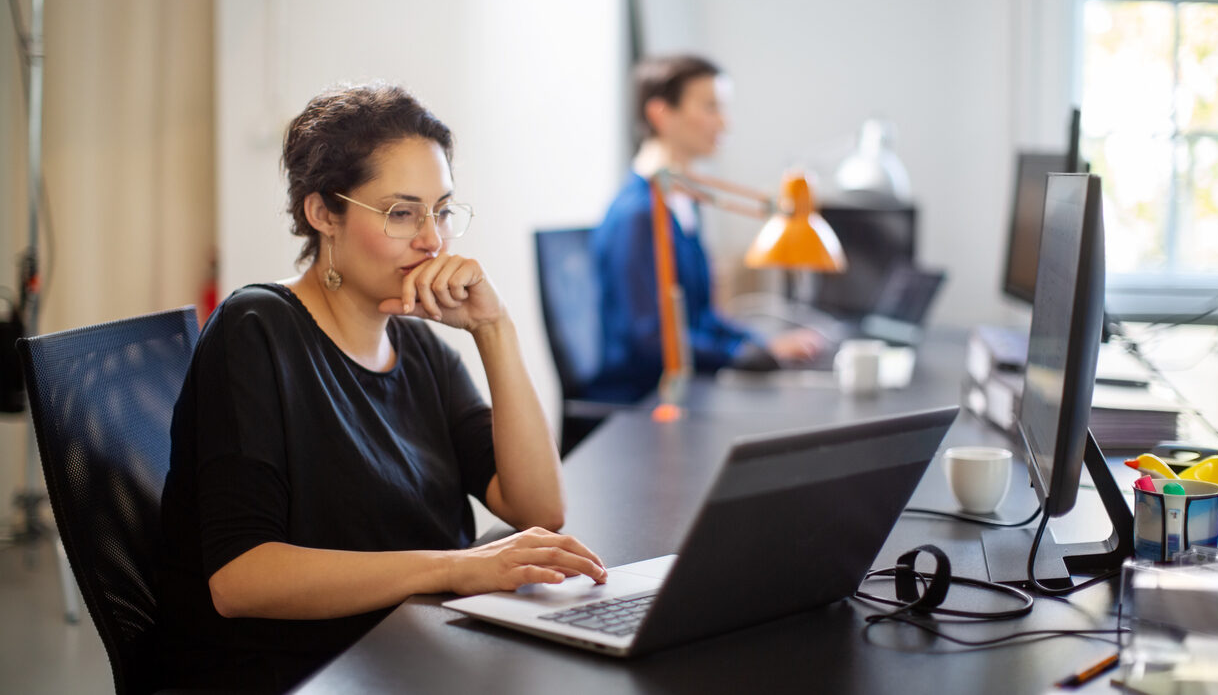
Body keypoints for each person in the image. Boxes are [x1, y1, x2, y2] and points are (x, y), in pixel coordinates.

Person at [157, 84, 606, 692]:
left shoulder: (418, 347)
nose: (432, 240)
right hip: (307, 673)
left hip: (410, 654)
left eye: (441, 210)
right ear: (322, 214)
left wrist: (493, 330)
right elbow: (241, 578)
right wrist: (456, 568)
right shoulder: (256, 330)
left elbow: (538, 509)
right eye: (401, 212)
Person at [586, 55, 823, 403]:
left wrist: (761, 344)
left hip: (687, 390)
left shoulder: (683, 199)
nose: (725, 123)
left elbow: (702, 317)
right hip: (642, 402)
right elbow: (649, 340)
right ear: (660, 113)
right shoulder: (636, 215)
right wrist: (741, 357)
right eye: (711, 107)